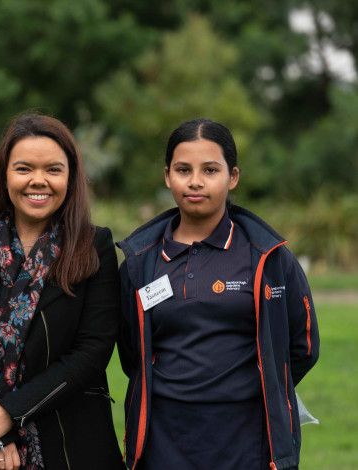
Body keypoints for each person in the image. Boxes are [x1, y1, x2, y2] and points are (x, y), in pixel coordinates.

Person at [117, 118, 320, 470]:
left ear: (233, 177)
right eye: (183, 169)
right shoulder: (140, 262)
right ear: (167, 176)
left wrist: (260, 384)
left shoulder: (269, 257)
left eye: (210, 170)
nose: (195, 181)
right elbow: (132, 353)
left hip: (247, 442)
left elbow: (302, 347)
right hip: (164, 441)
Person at [0, 113, 123, 470]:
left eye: (53, 170)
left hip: (67, 443)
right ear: (4, 175)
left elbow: (93, 351)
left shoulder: (95, 247)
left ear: (71, 178)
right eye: (24, 168)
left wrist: (11, 413)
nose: (38, 181)